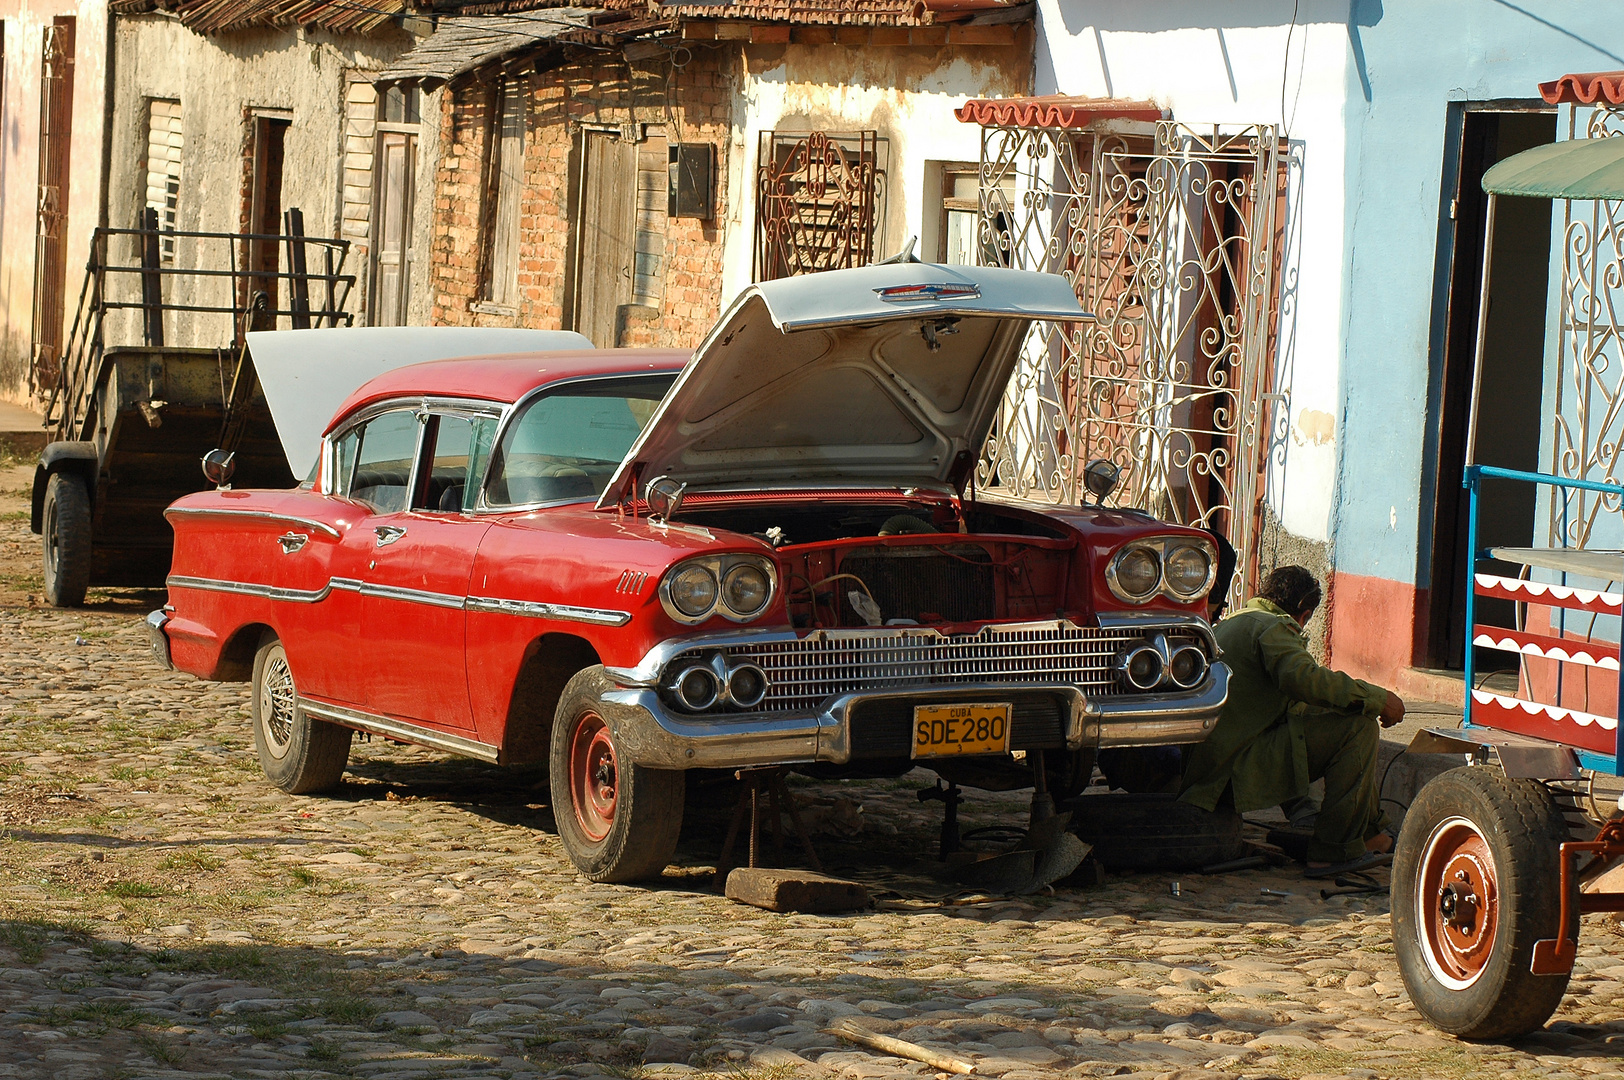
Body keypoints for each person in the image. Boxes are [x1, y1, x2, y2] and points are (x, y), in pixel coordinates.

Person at [1179, 565, 1406, 877]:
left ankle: (1371, 834)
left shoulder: (1236, 622)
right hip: (1227, 775)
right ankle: (1332, 851)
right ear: (1305, 611)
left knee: (1348, 717)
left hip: (1214, 769)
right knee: (1358, 729)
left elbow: (1296, 702)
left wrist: (1354, 702)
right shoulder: (1272, 627)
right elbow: (1305, 679)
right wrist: (1376, 698)